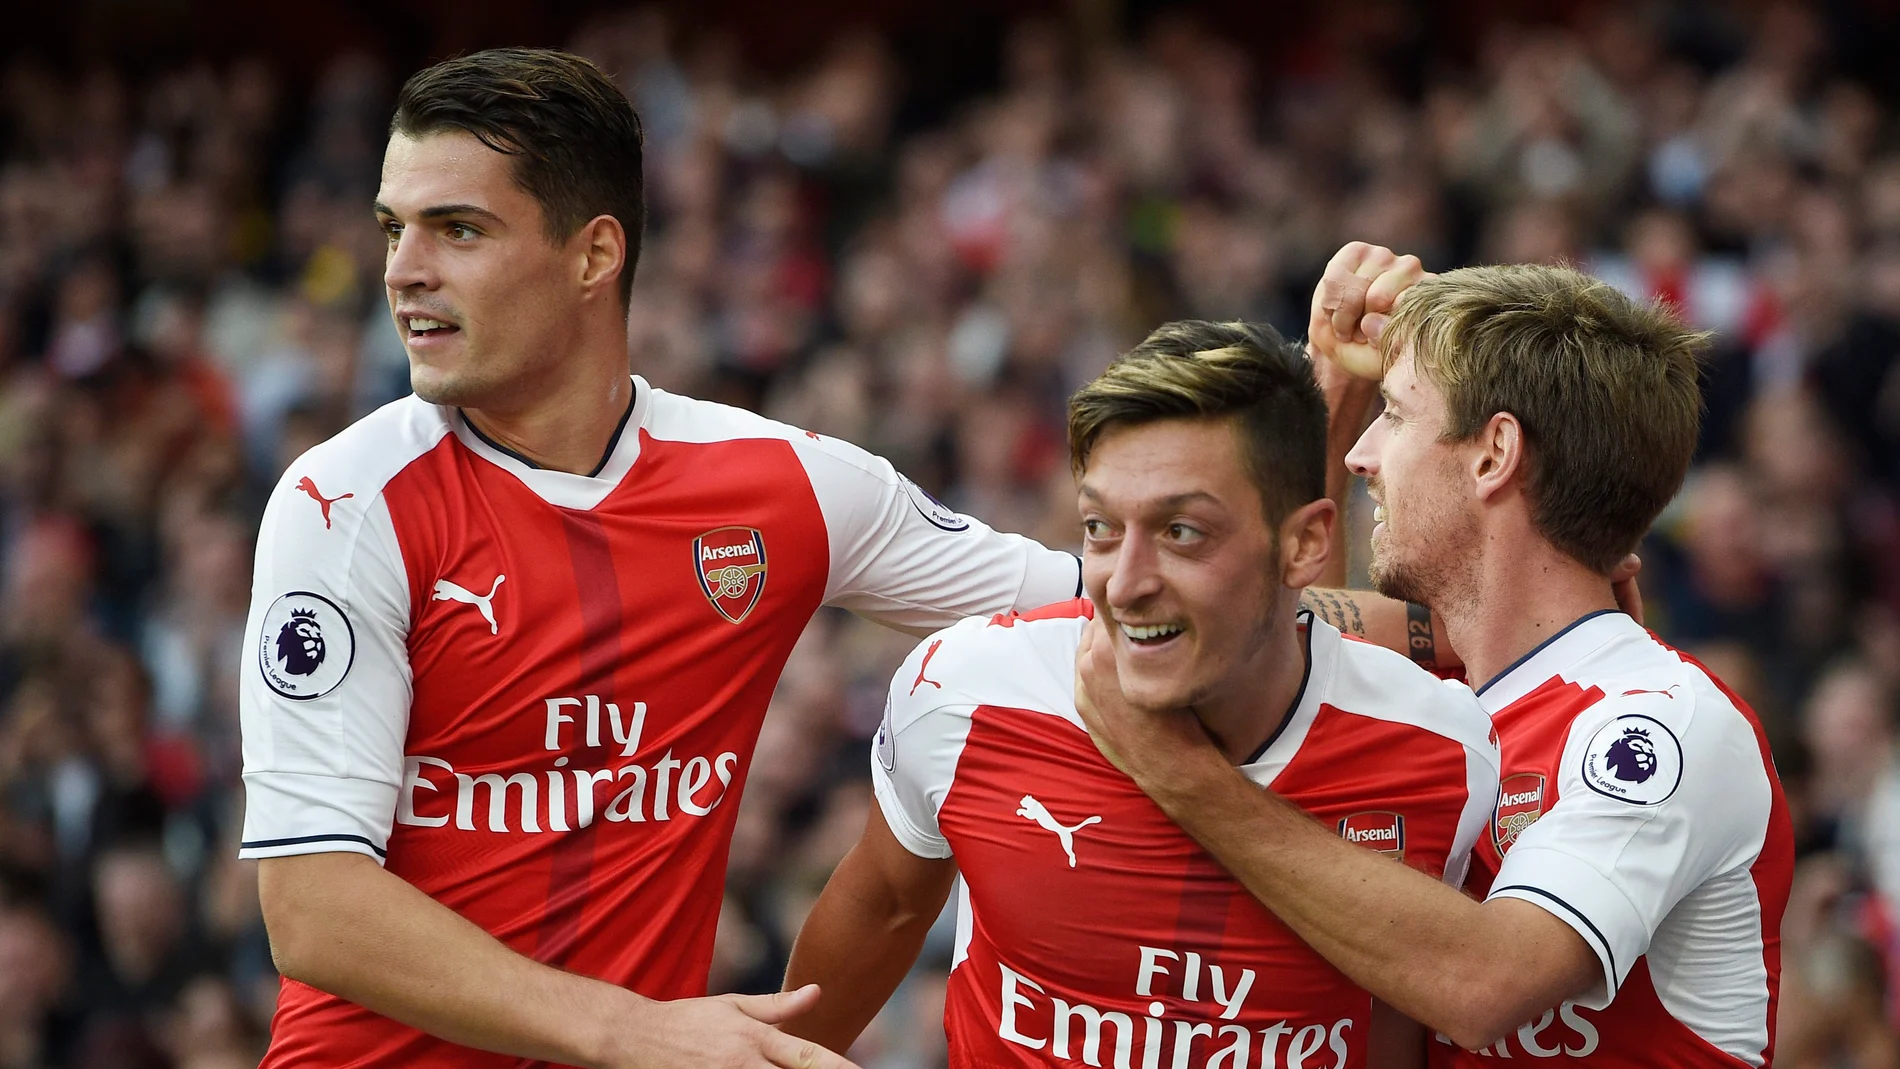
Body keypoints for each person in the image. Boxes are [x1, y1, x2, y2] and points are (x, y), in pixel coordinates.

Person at [238, 49, 1083, 1069]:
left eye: (456, 229)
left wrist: (1317, 432)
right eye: (393, 227)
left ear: (594, 255)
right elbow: (312, 907)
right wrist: (638, 1032)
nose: (402, 269)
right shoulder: (346, 503)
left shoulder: (788, 488)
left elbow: (1110, 611)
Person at [1076, 244, 1793, 1067]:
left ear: (1494, 454)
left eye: (1395, 414)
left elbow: (1486, 984)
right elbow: (1259, 627)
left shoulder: (1657, 722)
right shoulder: (1440, 695)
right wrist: (1329, 397)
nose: (1362, 456)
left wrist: (1182, 775)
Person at [781, 320, 1501, 1068]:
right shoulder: (968, 689)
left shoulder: (1444, 749)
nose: (1124, 583)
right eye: (1099, 527)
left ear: (1304, 544)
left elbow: (1401, 1020)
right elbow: (887, 905)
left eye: (1182, 531)